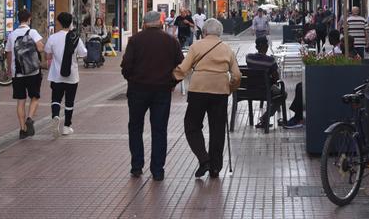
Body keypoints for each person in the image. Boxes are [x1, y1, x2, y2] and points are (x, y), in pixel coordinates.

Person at [173, 19, 241, 179]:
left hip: (198, 90)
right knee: (217, 129)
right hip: (220, 91)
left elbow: (183, 69)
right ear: (220, 33)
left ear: (204, 32)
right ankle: (216, 168)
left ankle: (204, 159)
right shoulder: (227, 49)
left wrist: (171, 78)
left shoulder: (196, 46)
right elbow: (237, 75)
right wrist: (229, 88)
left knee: (192, 125)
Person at [121, 11, 184, 181]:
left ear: (144, 23)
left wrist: (132, 80)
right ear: (160, 22)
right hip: (162, 91)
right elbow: (181, 66)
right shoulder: (171, 41)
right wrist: (171, 83)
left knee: (135, 127)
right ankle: (157, 170)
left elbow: (126, 66)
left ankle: (136, 166)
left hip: (138, 90)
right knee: (159, 130)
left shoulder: (135, 40)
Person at [44, 12, 86, 137]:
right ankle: (67, 126)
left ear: (59, 23)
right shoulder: (75, 37)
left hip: (56, 74)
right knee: (69, 101)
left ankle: (55, 116)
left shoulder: (53, 37)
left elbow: (47, 53)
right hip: (72, 75)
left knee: (56, 99)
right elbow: (83, 53)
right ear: (71, 23)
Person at [5, 10, 45, 139]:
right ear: (29, 19)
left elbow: (9, 53)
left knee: (20, 101)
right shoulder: (32, 32)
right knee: (35, 97)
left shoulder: (12, 35)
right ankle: (30, 118)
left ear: (18, 19)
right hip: (33, 71)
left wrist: (9, 69)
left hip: (18, 73)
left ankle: (22, 129)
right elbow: (40, 48)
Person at [245, 37, 285, 129]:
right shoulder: (270, 60)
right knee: (283, 94)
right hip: (265, 91)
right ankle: (265, 118)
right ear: (267, 46)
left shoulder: (249, 57)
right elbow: (276, 79)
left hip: (250, 90)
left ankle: (264, 119)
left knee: (273, 90)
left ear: (256, 47)